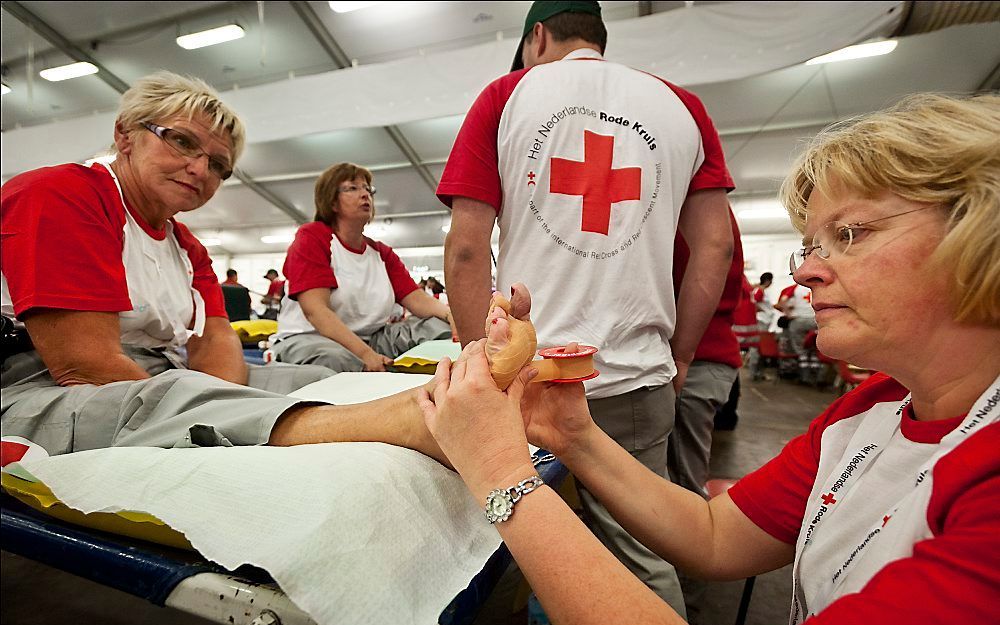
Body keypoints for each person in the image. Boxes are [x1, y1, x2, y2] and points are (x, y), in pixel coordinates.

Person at [418, 93, 1000, 625]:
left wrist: (501, 475)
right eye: (809, 245)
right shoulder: (876, 407)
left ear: (981, 228)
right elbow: (717, 535)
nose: (804, 270)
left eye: (850, 233)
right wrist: (573, 436)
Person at [437, 0, 734, 612]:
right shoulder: (684, 107)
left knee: (532, 547)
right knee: (641, 556)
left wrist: (481, 369)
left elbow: (468, 250)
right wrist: (677, 357)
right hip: (636, 378)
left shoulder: (507, 95)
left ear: (537, 35)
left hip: (529, 380)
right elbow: (716, 247)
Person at [0, 71, 457, 462]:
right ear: (125, 135)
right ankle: (397, 425)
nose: (200, 170)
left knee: (319, 378)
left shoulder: (187, 247)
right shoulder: (63, 195)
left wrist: (220, 403)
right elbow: (85, 366)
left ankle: (383, 414)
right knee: (181, 397)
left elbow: (215, 343)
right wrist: (209, 407)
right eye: (181, 141)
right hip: (37, 381)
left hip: (156, 371)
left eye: (218, 165)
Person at [270, 163, 457, 373]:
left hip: (372, 339)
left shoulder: (381, 253)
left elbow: (417, 299)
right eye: (353, 188)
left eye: (368, 189)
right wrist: (365, 355)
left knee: (440, 327)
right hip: (311, 338)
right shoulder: (313, 238)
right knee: (338, 360)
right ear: (332, 201)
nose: (365, 194)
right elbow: (316, 311)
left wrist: (452, 318)